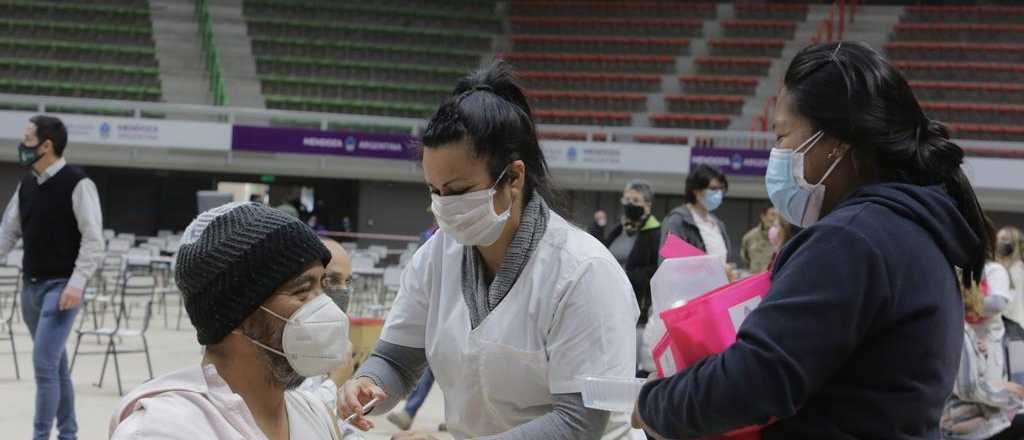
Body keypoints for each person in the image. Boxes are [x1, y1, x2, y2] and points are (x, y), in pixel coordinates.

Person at [633, 41, 994, 439]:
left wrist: (652, 404)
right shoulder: (911, 229)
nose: (777, 152)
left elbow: (755, 379)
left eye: (783, 136)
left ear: (836, 142)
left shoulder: (851, 238)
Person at [337, 61, 639, 440]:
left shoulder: (583, 272)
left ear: (513, 178)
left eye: (459, 191)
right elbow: (397, 359)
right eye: (435, 191)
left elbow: (578, 424)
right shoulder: (436, 259)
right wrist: (366, 383)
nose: (444, 205)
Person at [109, 202, 351, 439]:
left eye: (322, 285)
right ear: (238, 316)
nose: (325, 305)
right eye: (302, 290)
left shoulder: (313, 414)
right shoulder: (164, 431)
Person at [0, 115, 104, 440]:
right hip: (30, 287)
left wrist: (77, 283)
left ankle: (41, 436)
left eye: (28, 138)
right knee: (55, 365)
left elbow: (93, 239)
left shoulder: (78, 183)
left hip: (61, 289)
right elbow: (9, 231)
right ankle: (69, 433)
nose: (22, 144)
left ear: (47, 145)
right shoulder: (26, 184)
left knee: (44, 365)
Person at [941, 273, 1024, 440]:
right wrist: (1009, 392)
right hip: (968, 427)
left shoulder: (964, 330)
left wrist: (980, 355)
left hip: (976, 419)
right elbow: (969, 388)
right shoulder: (960, 332)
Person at [603, 180, 660, 377]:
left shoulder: (655, 233)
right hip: (609, 304)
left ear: (647, 205)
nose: (629, 204)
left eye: (635, 200)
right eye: (626, 198)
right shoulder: (617, 230)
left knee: (632, 364)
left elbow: (656, 270)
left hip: (638, 309)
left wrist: (625, 276)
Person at [660, 164, 733, 268]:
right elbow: (668, 265)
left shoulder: (718, 224)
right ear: (696, 191)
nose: (718, 193)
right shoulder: (678, 221)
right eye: (713, 188)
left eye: (721, 189)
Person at [997, 226, 1024, 325]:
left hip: (1016, 325)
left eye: (1004, 239)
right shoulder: (997, 268)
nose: (999, 242)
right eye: (998, 239)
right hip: (1003, 325)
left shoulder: (1018, 269)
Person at [741, 207, 779, 273]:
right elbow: (745, 259)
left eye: (778, 216)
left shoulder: (784, 238)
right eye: (772, 215)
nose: (775, 219)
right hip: (756, 278)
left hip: (775, 280)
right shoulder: (750, 236)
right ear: (763, 217)